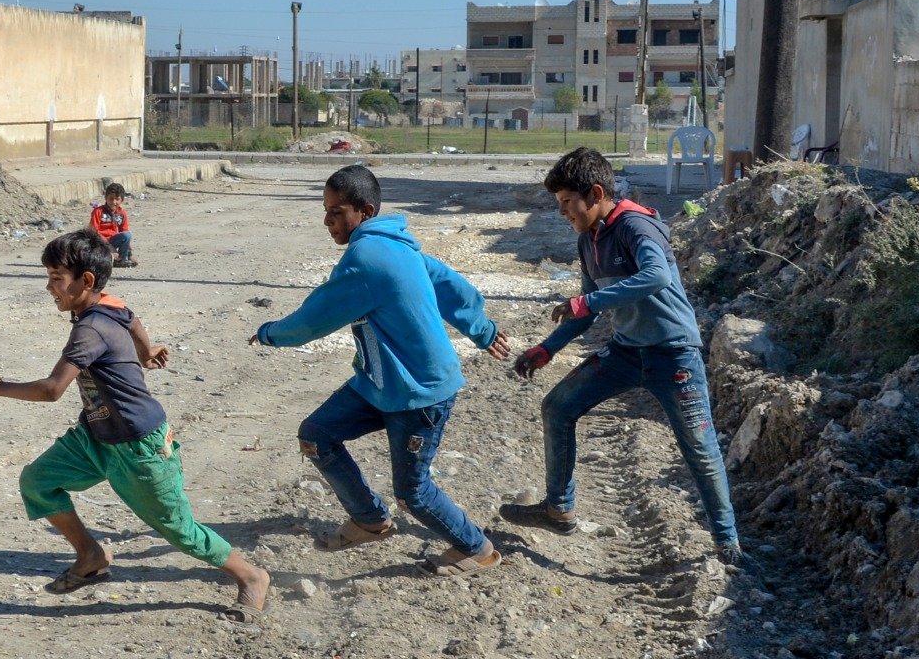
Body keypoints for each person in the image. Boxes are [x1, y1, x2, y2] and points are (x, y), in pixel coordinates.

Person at [0, 230, 269, 620]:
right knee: (38, 481)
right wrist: (146, 350)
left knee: (178, 529)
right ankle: (90, 555)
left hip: (138, 445)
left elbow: (52, 390)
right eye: (47, 277)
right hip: (96, 436)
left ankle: (250, 576)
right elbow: (131, 318)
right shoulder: (104, 306)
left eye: (56, 278)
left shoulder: (89, 329)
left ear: (87, 281)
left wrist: (0, 389)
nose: (49, 288)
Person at [250, 164, 512, 577]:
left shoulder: (366, 257)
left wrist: (269, 333)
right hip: (380, 384)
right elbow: (449, 284)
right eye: (326, 210)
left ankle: (477, 549)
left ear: (365, 212)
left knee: (414, 492)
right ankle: (370, 520)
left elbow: (313, 320)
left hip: (420, 393)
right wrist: (482, 329)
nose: (327, 221)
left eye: (336, 213)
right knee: (317, 435)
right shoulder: (397, 244)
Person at [502, 147, 742, 563]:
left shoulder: (636, 226)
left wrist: (586, 305)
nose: (562, 213)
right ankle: (559, 508)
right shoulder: (587, 241)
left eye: (566, 203)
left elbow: (656, 276)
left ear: (595, 193)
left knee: (700, 450)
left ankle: (727, 543)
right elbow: (588, 305)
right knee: (557, 407)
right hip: (626, 352)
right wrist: (546, 348)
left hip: (674, 356)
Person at [90, 182, 136, 267]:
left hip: (112, 241)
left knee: (127, 236)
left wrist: (129, 250)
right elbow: (93, 232)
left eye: (117, 199)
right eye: (111, 198)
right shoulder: (98, 211)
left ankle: (122, 259)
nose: (114, 202)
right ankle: (114, 258)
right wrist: (109, 247)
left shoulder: (121, 213)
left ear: (122, 200)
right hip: (99, 242)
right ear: (105, 198)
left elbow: (124, 231)